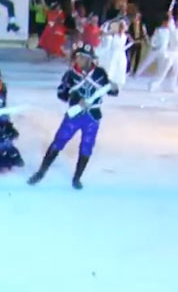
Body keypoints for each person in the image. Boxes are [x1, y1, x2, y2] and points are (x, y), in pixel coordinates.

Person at [27, 44, 119, 190]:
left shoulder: (99, 73)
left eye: (82, 57)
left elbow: (111, 91)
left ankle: (77, 178)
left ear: (89, 59)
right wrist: (76, 100)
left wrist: (114, 88)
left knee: (87, 147)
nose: (78, 60)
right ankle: (41, 172)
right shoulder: (70, 75)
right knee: (58, 141)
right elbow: (62, 94)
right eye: (77, 57)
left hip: (92, 116)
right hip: (74, 115)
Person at [149, 14, 178, 92]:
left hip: (177, 54)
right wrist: (170, 16)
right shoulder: (172, 29)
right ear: (176, 22)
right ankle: (153, 84)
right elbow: (170, 23)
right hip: (170, 53)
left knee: (175, 71)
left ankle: (171, 86)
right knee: (163, 71)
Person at [95, 18, 130, 88]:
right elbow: (102, 35)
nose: (121, 27)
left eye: (123, 26)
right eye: (120, 25)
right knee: (111, 68)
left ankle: (116, 84)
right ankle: (107, 83)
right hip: (113, 53)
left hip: (121, 54)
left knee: (120, 68)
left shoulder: (126, 35)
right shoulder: (114, 33)